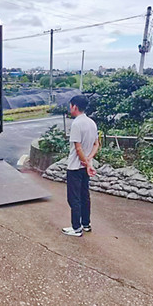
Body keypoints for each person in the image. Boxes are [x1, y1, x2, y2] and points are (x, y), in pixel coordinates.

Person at [62, 95, 100, 237]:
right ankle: (86, 224)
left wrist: (85, 161)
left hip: (75, 167)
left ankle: (76, 228)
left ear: (75, 107)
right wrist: (89, 160)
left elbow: (78, 149)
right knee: (85, 196)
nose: (70, 108)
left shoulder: (77, 124)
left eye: (70, 106)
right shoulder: (91, 122)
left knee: (74, 198)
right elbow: (96, 144)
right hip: (85, 167)